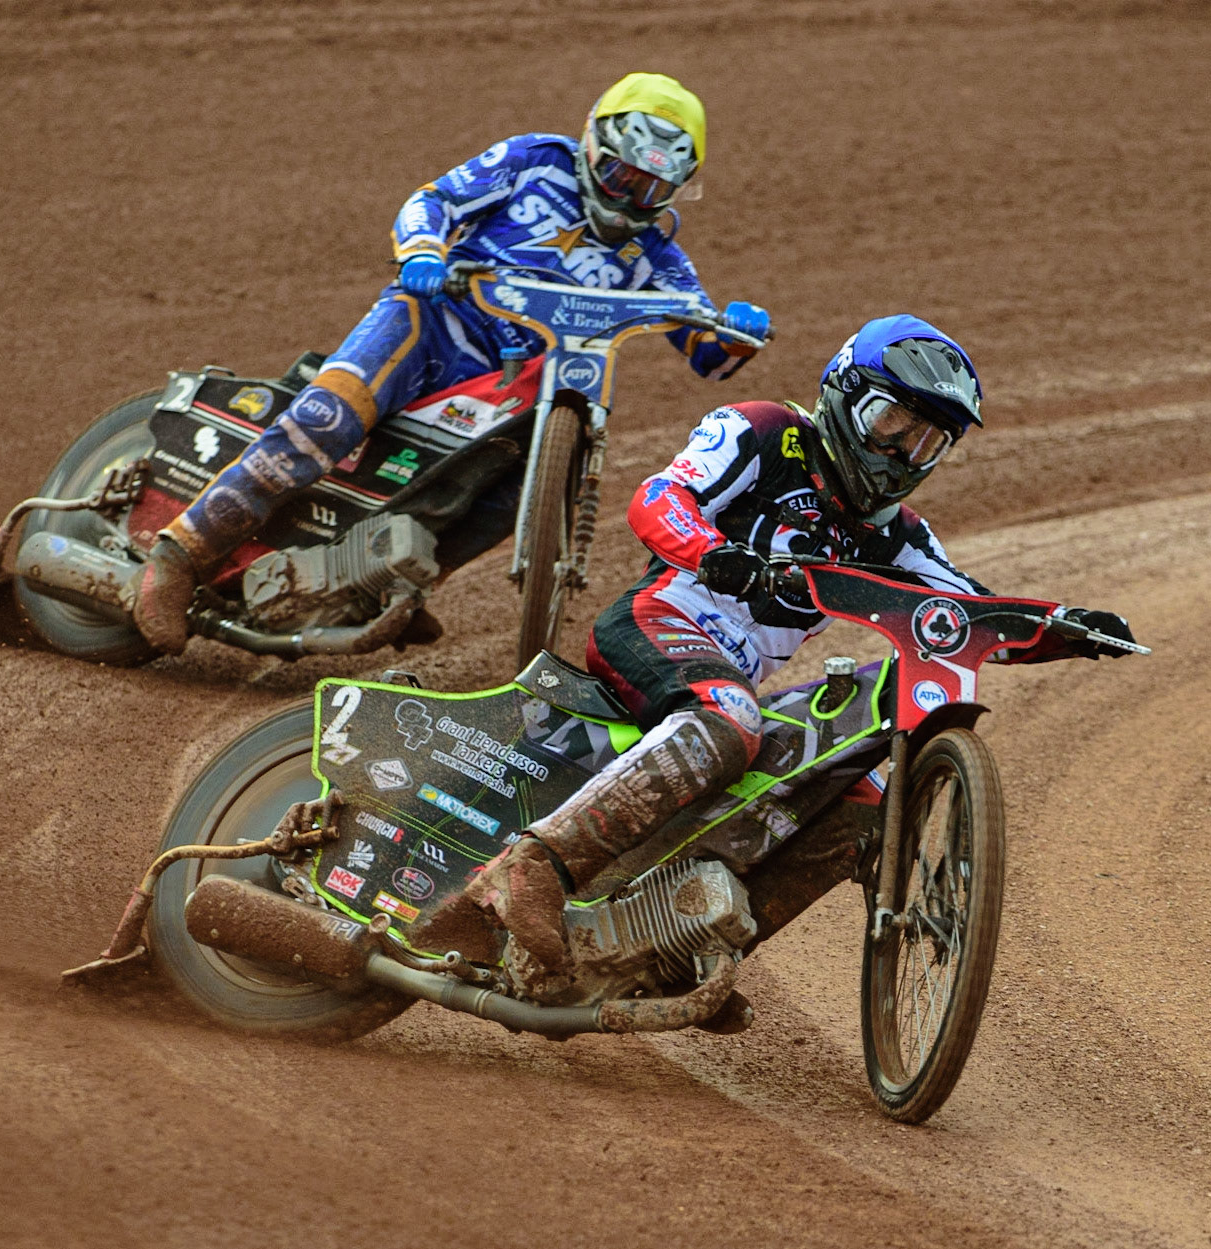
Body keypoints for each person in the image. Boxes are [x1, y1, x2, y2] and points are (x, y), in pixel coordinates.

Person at [432, 314, 1135, 976]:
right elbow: (658, 497)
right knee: (732, 719)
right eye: (892, 423)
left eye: (927, 441)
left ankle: (671, 956)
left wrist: (1064, 625)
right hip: (658, 620)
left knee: (856, 785)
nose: (902, 452)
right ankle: (532, 867)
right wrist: (711, 553)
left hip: (726, 680)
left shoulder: (900, 536)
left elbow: (965, 616)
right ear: (845, 394)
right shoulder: (765, 431)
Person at [130, 72, 773, 653]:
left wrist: (739, 332)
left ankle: (392, 584)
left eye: (652, 187)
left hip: (516, 385)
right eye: (622, 177)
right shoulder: (533, 161)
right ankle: (180, 555)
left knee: (517, 491)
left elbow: (709, 355)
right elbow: (433, 201)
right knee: (326, 420)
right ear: (592, 146)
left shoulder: (657, 253)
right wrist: (423, 251)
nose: (632, 198)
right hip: (434, 323)